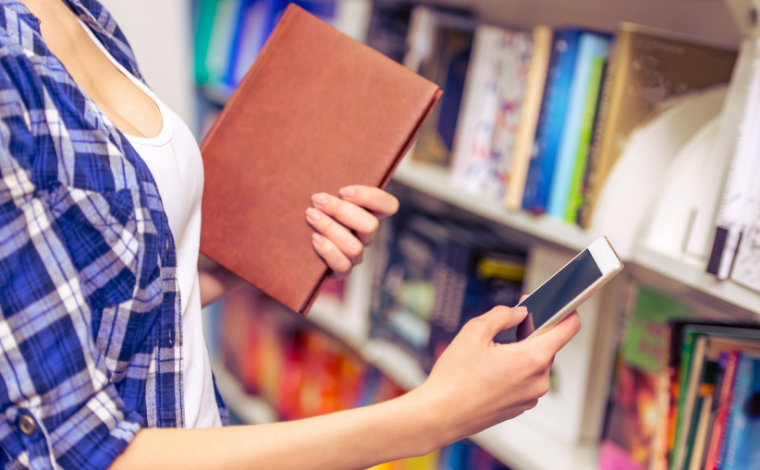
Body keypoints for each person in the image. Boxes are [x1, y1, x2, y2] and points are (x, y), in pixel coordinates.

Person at [0, 0, 581, 469]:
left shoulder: (82, 14)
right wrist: (434, 414)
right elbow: (84, 455)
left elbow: (114, 302)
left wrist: (244, 257)